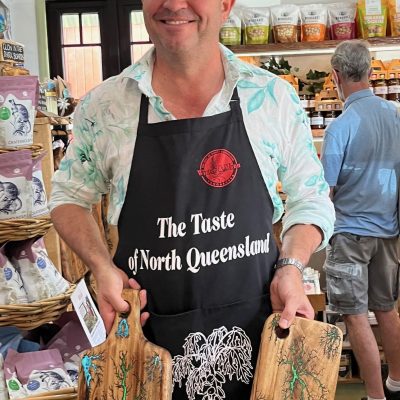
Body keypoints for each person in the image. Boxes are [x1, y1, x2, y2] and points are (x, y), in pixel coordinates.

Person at [50, 0, 334, 398]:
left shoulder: (271, 99)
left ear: (225, 5)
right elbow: (67, 197)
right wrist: (101, 266)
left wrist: (290, 266)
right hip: (145, 355)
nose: (172, 4)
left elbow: (311, 198)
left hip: (260, 352)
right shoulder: (106, 106)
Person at [321, 40, 400, 400]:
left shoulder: (340, 127)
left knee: (355, 316)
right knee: (386, 309)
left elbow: (327, 189)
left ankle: (374, 397)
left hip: (351, 234)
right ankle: (396, 383)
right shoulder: (396, 116)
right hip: (390, 231)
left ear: (336, 77)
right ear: (370, 72)